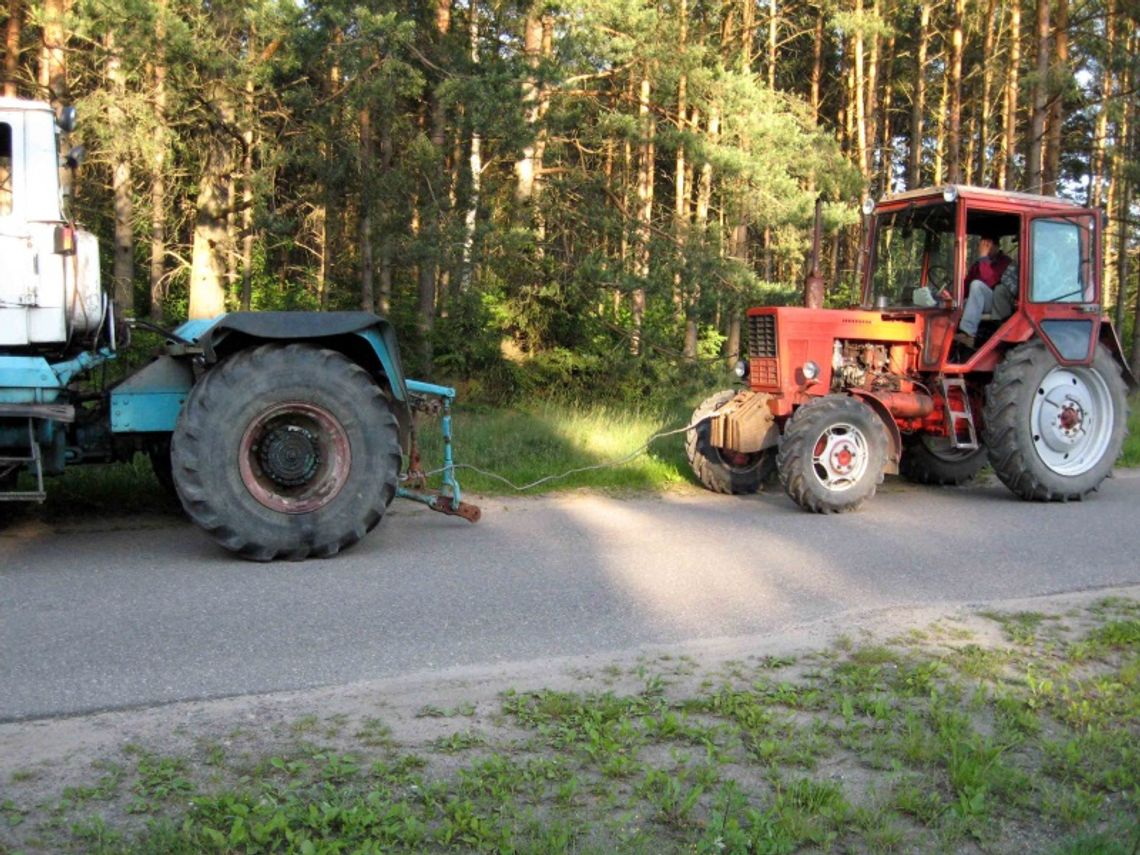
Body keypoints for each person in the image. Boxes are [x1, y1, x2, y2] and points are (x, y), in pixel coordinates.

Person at [953, 234, 1011, 349]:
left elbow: (990, 281)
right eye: (982, 245)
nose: (983, 248)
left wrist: (984, 257)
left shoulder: (1005, 262)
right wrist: (952, 296)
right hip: (979, 302)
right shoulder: (978, 264)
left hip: (998, 303)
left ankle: (968, 333)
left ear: (996, 246)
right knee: (956, 303)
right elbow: (966, 286)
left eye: (987, 245)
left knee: (977, 285)